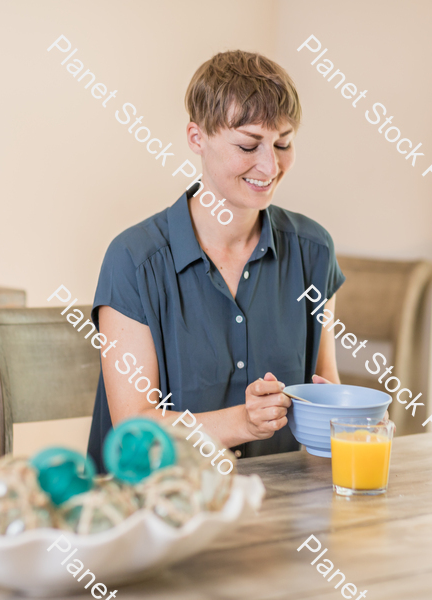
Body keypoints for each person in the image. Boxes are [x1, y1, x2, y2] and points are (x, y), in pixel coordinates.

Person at [86, 49, 345, 471]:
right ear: (196, 138)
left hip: (272, 510)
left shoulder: (313, 251)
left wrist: (349, 418)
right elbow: (135, 430)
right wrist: (243, 421)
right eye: (248, 144)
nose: (270, 164)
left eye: (283, 143)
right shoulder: (133, 260)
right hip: (154, 511)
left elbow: (324, 386)